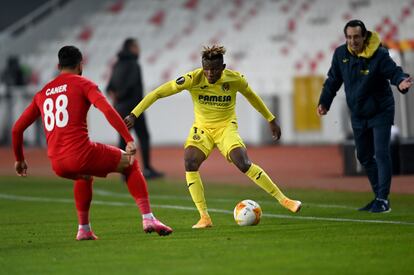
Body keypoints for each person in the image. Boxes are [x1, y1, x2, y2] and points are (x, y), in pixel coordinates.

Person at [124, 45, 302, 229]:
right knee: (190, 163)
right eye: (206, 69)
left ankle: (285, 200)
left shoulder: (234, 79)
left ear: (223, 67)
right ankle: (204, 217)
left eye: (215, 69)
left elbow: (252, 96)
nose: (209, 73)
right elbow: (157, 92)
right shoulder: (192, 79)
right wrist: (134, 114)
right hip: (202, 129)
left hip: (226, 128)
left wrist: (271, 119)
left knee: (243, 163)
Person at [12, 46, 172, 240]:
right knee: (131, 163)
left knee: (84, 176)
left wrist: (20, 160)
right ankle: (148, 218)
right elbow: (107, 110)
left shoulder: (42, 93)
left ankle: (84, 229)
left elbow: (17, 129)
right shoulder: (83, 84)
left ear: (58, 65)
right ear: (80, 65)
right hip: (81, 154)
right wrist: (128, 139)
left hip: (57, 163)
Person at [317, 20, 412, 213]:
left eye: (356, 37)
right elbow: (333, 80)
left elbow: (394, 72)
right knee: (363, 156)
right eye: (349, 37)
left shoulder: (379, 54)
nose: (353, 41)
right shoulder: (340, 54)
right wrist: (324, 102)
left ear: (364, 36)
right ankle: (379, 197)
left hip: (381, 111)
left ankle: (383, 199)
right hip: (358, 113)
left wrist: (401, 81)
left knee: (381, 152)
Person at [106, 38, 163, 179]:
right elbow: (132, 86)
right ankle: (147, 169)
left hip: (119, 108)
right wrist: (124, 97)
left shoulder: (117, 65)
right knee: (144, 136)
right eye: (137, 46)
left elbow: (109, 87)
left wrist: (117, 98)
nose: (139, 49)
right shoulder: (133, 64)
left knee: (123, 139)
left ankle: (123, 171)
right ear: (131, 47)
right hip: (134, 109)